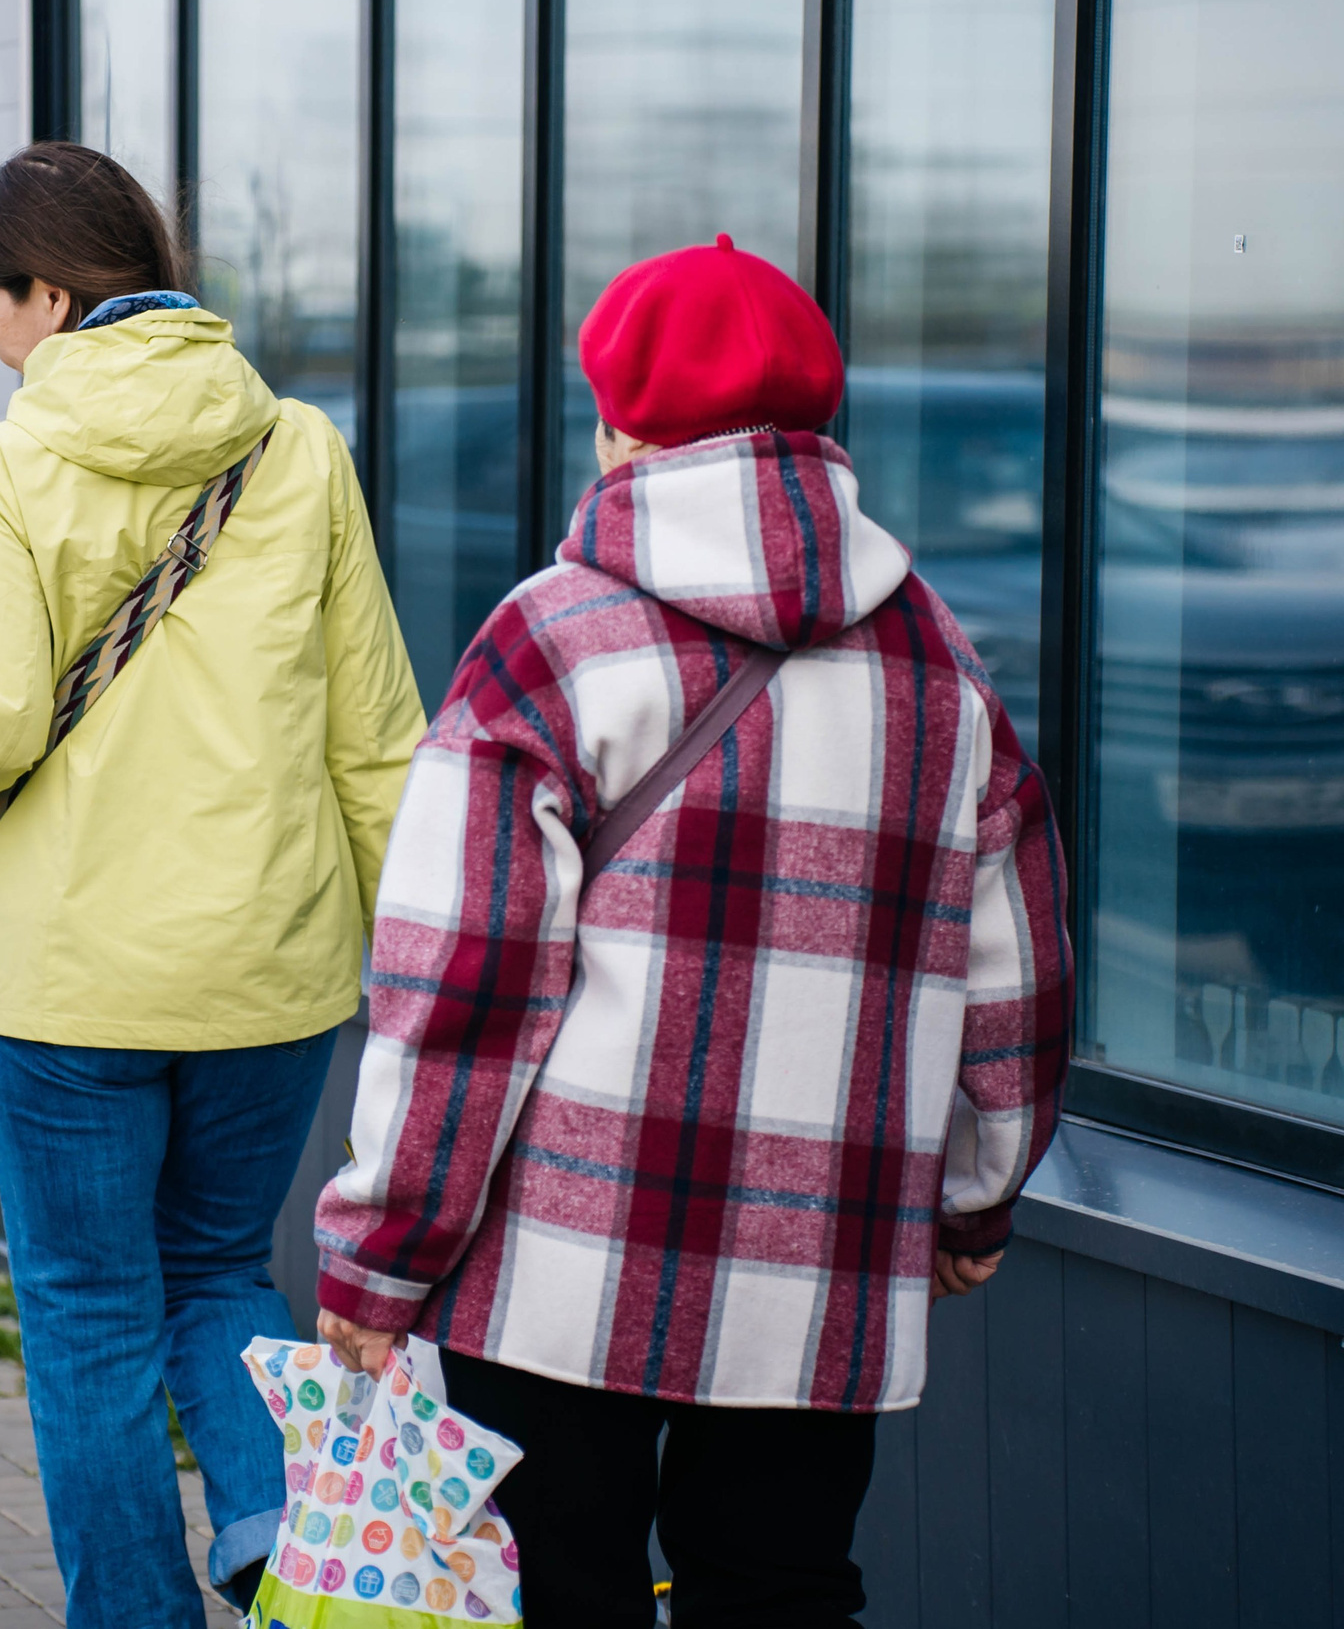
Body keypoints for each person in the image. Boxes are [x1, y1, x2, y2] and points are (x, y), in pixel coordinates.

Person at [312, 235, 1072, 1628]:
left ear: (620, 430)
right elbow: (1014, 975)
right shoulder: (940, 663)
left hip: (563, 1265)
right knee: (781, 1590)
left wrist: (383, 1249)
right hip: (823, 1264)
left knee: (557, 1590)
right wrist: (976, 1191)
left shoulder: (551, 640)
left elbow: (457, 982)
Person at [0, 141, 424, 1625]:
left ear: (50, 289)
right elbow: (379, 745)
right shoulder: (302, 451)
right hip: (272, 967)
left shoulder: (10, 463)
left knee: (88, 1316)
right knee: (220, 1266)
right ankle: (286, 1541)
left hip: (69, 978)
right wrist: (417, 978)